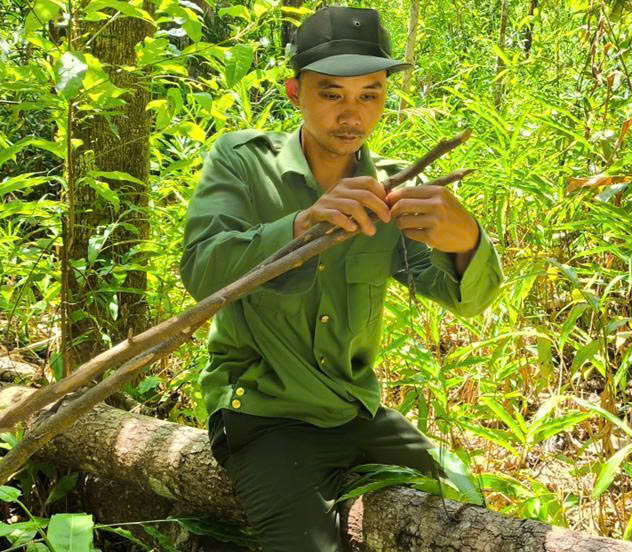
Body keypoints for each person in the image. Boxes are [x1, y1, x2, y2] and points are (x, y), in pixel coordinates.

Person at [179, 6, 503, 551]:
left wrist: (466, 241)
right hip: (262, 414)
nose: (351, 114)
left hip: (357, 411)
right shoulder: (240, 162)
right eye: (331, 94)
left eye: (369, 94)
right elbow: (202, 270)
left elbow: (466, 300)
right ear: (294, 93)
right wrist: (302, 225)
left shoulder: (391, 191)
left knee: (458, 522)